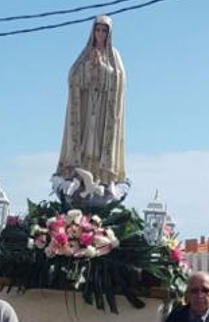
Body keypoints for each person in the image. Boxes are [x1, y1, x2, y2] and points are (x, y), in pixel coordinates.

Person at [55, 15, 127, 201]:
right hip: (87, 106)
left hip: (105, 107)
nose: (101, 34)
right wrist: (89, 66)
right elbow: (73, 75)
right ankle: (79, 174)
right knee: (86, 139)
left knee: (100, 141)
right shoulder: (85, 54)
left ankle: (103, 177)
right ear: (93, 32)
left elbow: (118, 80)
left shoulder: (114, 56)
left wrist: (102, 66)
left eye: (104, 31)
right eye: (98, 30)